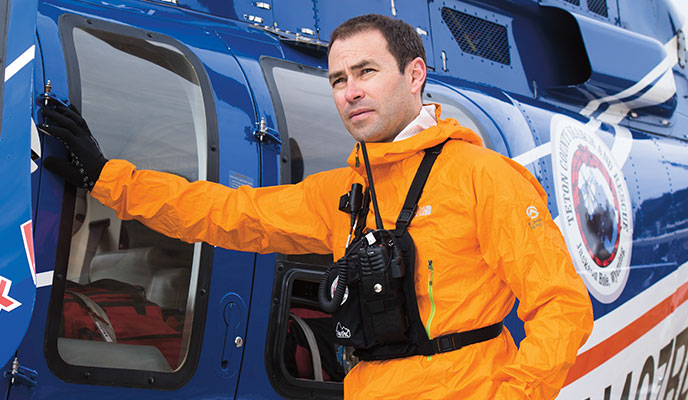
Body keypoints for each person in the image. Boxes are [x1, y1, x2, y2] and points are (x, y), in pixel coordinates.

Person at [38, 13, 593, 399]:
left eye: (367, 73)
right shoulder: (341, 197)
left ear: (415, 75)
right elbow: (225, 213)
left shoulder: (485, 179)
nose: (350, 91)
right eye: (338, 79)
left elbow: (563, 307)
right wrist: (109, 178)